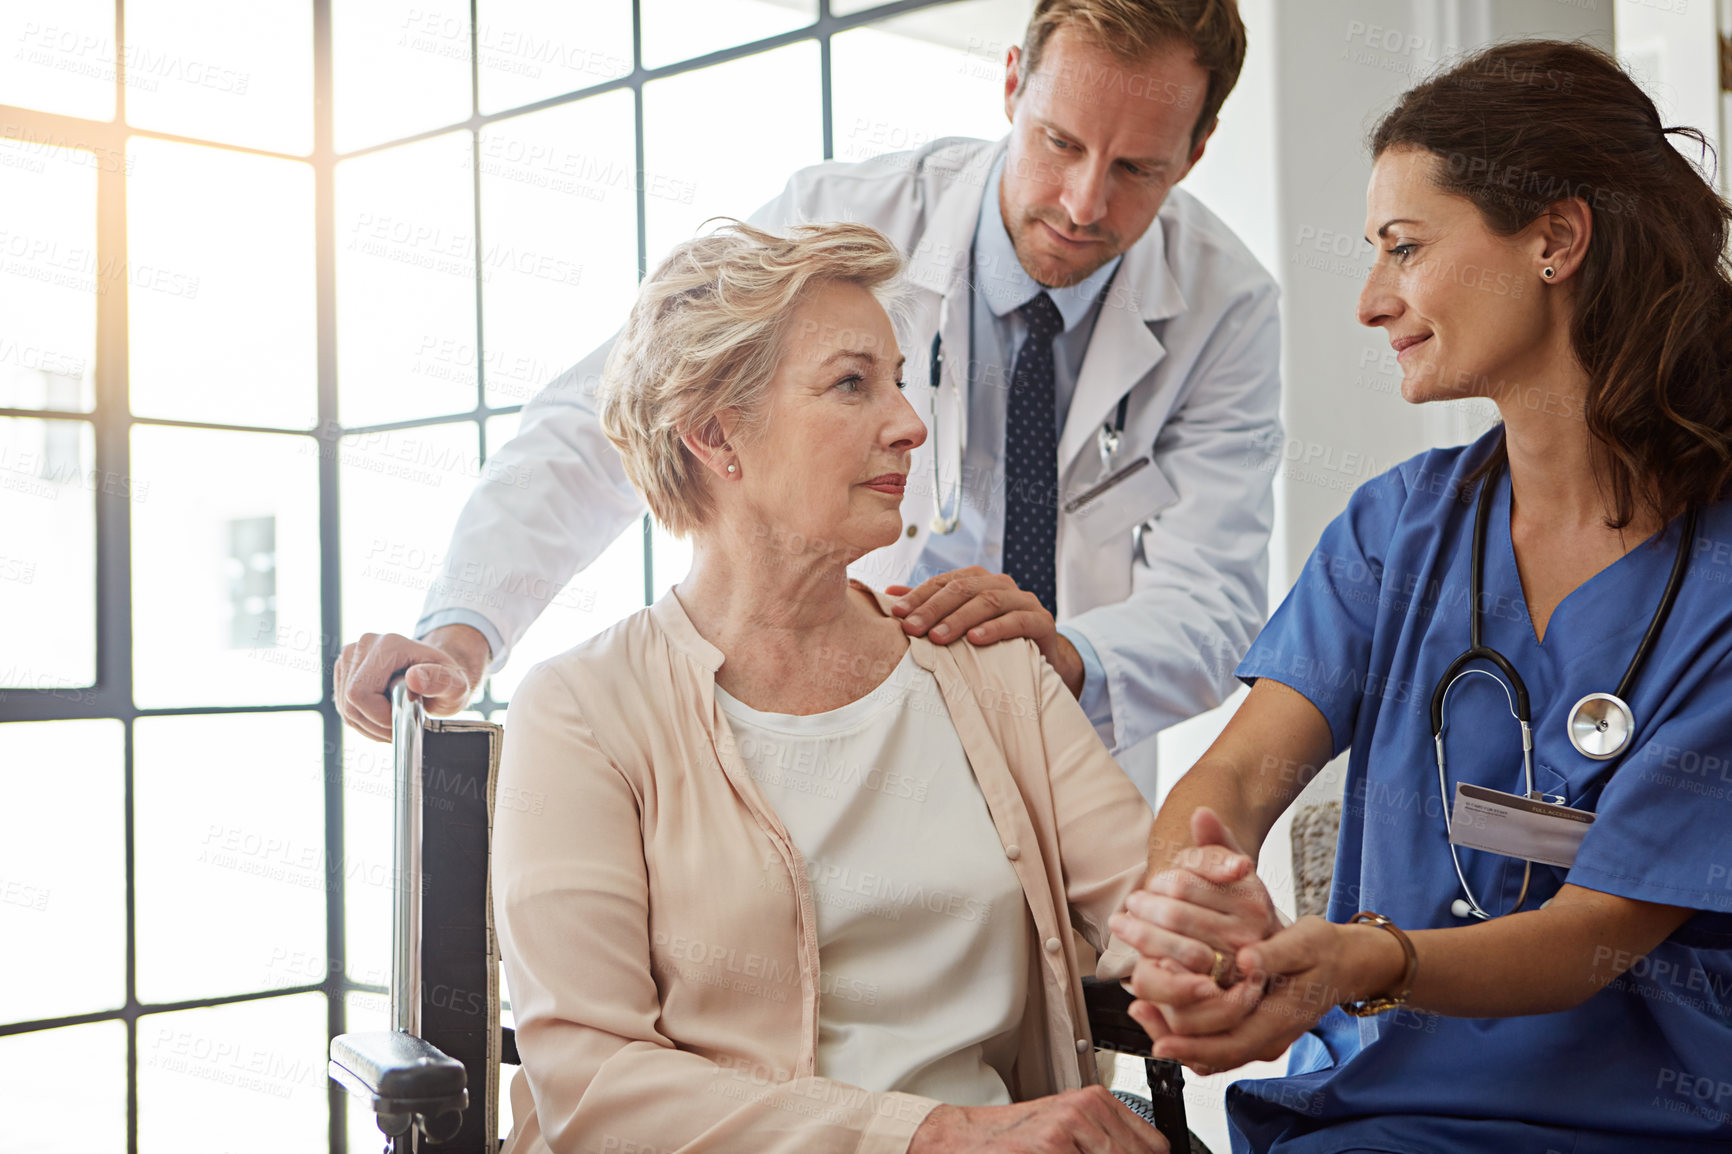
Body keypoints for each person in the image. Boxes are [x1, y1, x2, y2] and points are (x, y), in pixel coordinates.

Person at [335, 0, 1281, 805]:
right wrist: (460, 635)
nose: (1081, 203)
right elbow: (608, 419)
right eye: (1060, 142)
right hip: (819, 723)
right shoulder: (846, 220)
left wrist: (1057, 663)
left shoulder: (1225, 307)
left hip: (1059, 748)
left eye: (1135, 170)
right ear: (1011, 87)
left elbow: (1212, 597)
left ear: (1194, 153)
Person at [1104, 40, 1732, 1152]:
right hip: (1367, 1111)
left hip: (1630, 1126)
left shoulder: (1717, 581)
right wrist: (1192, 903)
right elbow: (1238, 771)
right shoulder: (1400, 528)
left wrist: (1364, 960)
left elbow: (1592, 935)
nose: (1369, 299)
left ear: (1554, 238)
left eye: (1404, 247)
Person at [492, 220, 1165, 1153]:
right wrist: (935, 1134)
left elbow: (1157, 908)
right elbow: (594, 1082)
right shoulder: (580, 709)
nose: (910, 421)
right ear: (716, 433)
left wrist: (1217, 939)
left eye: (899, 377)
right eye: (853, 383)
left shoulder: (985, 657)